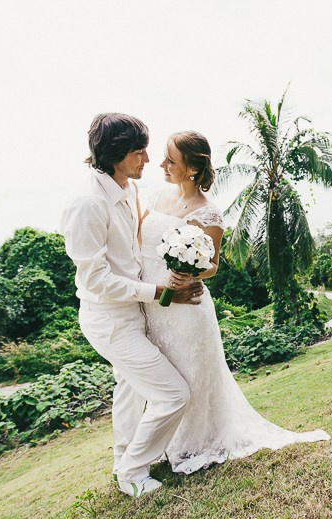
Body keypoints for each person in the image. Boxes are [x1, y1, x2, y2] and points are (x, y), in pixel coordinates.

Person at [140, 131, 330, 475]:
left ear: (193, 169)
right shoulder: (154, 198)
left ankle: (196, 443)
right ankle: (163, 442)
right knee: (164, 376)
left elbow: (210, 264)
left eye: (171, 160)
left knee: (193, 375)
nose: (161, 164)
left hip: (187, 307)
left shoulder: (209, 213)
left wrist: (188, 273)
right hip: (154, 305)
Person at [61, 114, 205, 497]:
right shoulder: (87, 204)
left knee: (129, 389)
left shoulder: (128, 189)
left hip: (134, 313)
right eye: (138, 152)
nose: (147, 160)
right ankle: (133, 473)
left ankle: (124, 458)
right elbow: (93, 280)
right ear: (113, 153)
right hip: (108, 320)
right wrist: (158, 292)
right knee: (174, 394)